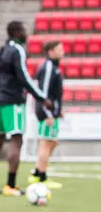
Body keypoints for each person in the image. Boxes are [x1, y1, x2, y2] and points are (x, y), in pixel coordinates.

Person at [0, 21, 53, 197]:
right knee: (16, 139)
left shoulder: (2, 50)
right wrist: (41, 98)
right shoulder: (18, 50)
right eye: (23, 30)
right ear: (17, 32)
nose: (26, 33)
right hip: (13, 100)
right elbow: (24, 77)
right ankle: (11, 185)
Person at [28, 41, 64, 189]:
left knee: (53, 142)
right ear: (50, 51)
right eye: (59, 49)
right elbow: (43, 92)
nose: (63, 52)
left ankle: (37, 172)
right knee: (46, 143)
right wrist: (48, 112)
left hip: (51, 111)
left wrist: (58, 109)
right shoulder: (48, 67)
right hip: (46, 112)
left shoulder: (54, 67)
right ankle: (42, 177)